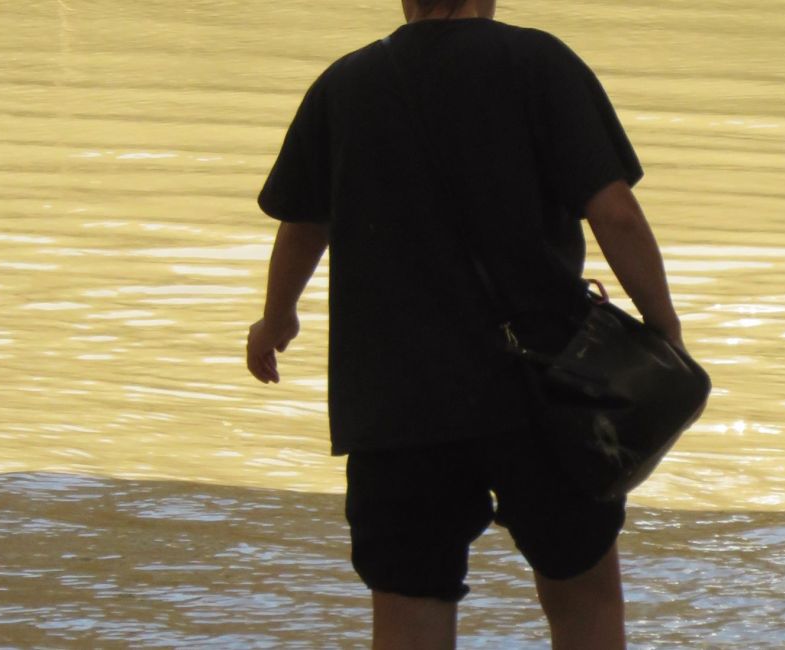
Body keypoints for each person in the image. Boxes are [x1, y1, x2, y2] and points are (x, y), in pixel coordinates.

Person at [245, 0, 683, 647]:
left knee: (409, 603)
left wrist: (275, 319)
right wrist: (664, 333)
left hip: (396, 405)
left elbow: (304, 225)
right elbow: (616, 214)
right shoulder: (539, 63)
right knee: (582, 598)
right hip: (544, 393)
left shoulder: (344, 86)